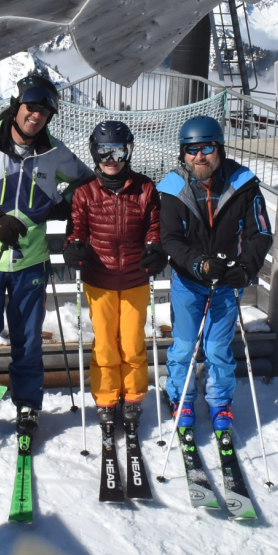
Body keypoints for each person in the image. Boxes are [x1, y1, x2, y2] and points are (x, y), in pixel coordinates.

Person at [0, 73, 94, 441]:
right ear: (16, 106)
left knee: (28, 340)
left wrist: (60, 204)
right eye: (32, 107)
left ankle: (28, 404)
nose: (37, 115)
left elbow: (86, 181)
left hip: (31, 262)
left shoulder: (53, 151)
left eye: (45, 111)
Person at [156, 116, 273, 432]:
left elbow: (260, 232)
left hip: (226, 284)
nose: (199, 156)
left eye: (206, 148)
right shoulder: (173, 188)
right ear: (183, 153)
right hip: (189, 282)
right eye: (191, 150)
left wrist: (246, 268)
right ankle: (181, 397)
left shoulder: (243, 185)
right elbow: (170, 239)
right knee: (185, 346)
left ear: (219, 148)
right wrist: (198, 264)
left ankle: (220, 401)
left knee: (218, 348)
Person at [63, 121, 167, 431]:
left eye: (119, 152)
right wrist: (74, 247)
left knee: (133, 342)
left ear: (128, 152)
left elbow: (154, 226)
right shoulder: (85, 191)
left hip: (136, 277)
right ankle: (106, 397)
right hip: (100, 279)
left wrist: (155, 249)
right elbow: (77, 228)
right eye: (104, 152)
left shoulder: (144, 188)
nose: (111, 160)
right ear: (94, 153)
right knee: (106, 343)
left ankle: (133, 396)